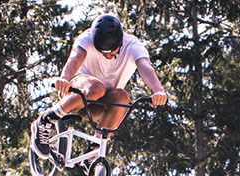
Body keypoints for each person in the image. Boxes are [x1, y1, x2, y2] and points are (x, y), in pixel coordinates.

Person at [33, 13, 167, 158]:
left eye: (111, 52)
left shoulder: (133, 45)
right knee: (96, 88)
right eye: (102, 52)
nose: (107, 56)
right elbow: (74, 58)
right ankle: (47, 119)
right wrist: (64, 78)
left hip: (101, 105)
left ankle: (93, 153)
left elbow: (145, 67)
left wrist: (158, 90)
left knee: (123, 97)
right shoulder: (86, 38)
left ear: (120, 42)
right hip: (75, 93)